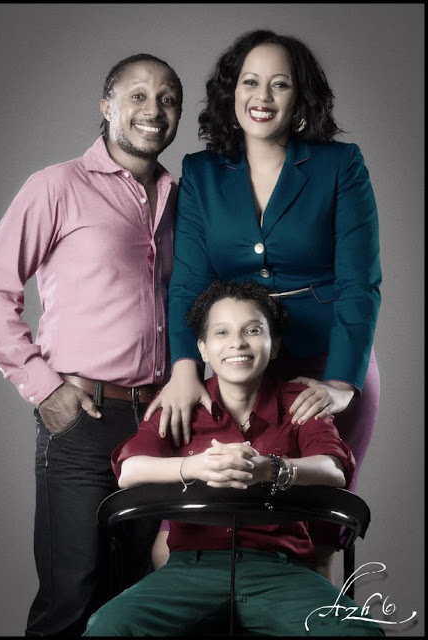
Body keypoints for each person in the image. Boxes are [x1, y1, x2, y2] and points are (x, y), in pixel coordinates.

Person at [144, 29, 381, 580]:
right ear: (232, 92)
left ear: (301, 98)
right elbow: (188, 282)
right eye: (250, 82)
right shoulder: (202, 172)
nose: (263, 97)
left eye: (281, 84)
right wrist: (185, 369)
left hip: (325, 362)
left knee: (315, 537)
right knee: (187, 531)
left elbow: (360, 283)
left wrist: (342, 383)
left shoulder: (341, 165)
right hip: (236, 365)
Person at [0, 53, 182, 636]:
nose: (153, 109)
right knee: (71, 595)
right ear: (107, 105)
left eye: (167, 98)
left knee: (138, 598)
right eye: (138, 95)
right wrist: (43, 388)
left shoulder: (180, 199)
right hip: (82, 419)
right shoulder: (56, 185)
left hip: (160, 425)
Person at [82, 280, 384, 637]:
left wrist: (270, 468)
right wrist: (195, 466)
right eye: (221, 332)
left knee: (359, 632)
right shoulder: (180, 404)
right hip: (191, 568)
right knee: (107, 627)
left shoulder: (299, 400)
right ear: (203, 348)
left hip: (279, 569)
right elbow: (129, 469)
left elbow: (334, 467)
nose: (237, 343)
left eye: (252, 330)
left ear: (274, 345)